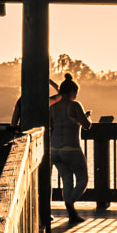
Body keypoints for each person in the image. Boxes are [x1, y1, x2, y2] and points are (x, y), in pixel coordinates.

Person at [49, 76, 94, 225]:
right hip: (72, 149)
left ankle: (72, 214)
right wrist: (88, 117)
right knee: (83, 180)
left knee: (67, 180)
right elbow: (87, 125)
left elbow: (51, 128)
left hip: (55, 150)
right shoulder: (75, 105)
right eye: (76, 92)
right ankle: (69, 202)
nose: (77, 96)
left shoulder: (53, 108)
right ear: (72, 92)